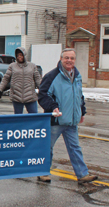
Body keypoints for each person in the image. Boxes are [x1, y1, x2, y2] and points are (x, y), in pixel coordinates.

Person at [37, 48, 98, 184]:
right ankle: (43, 173)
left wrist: (82, 111)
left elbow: (79, 95)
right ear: (61, 59)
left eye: (72, 58)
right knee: (47, 147)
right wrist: (53, 107)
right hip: (56, 120)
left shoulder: (77, 75)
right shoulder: (52, 76)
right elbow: (42, 95)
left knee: (75, 148)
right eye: (66, 58)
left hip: (71, 121)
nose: (69, 60)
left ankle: (82, 175)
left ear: (74, 60)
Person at [0, 47, 42, 114]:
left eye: (21, 55)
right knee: (18, 118)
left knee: (34, 116)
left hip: (30, 97)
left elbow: (38, 79)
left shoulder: (32, 66)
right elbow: (6, 78)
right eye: (18, 55)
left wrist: (43, 90)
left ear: (24, 55)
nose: (19, 57)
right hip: (16, 97)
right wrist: (0, 90)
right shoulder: (12, 66)